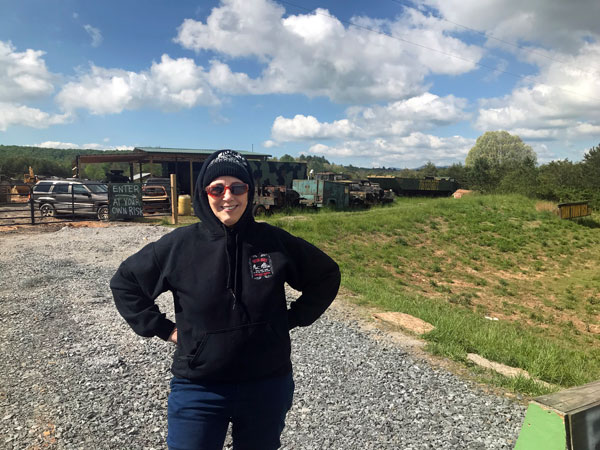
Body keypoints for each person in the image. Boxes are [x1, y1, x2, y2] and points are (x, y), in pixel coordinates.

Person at [110, 149, 340, 450]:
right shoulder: (179, 246)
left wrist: (292, 318)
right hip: (199, 389)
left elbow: (326, 275)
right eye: (217, 188)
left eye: (238, 187)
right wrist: (165, 329)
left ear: (250, 192)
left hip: (267, 384)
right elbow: (125, 282)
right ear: (204, 194)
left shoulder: (274, 242)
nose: (228, 196)